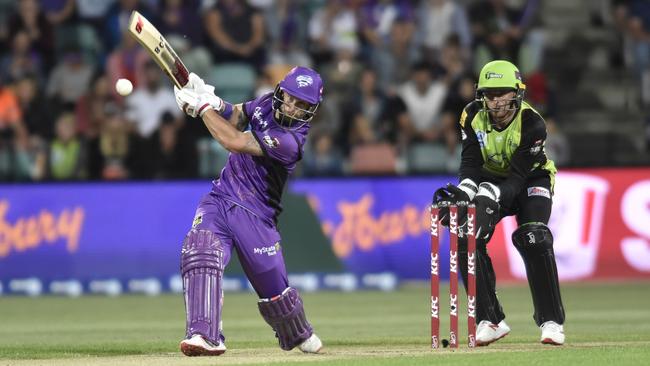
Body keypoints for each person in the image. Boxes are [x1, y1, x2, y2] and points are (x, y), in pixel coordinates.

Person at [172, 66, 324, 356]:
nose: (292, 107)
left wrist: (202, 107)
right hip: (221, 196)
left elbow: (235, 141)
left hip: (256, 216)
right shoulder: (268, 102)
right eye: (290, 97)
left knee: (277, 299)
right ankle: (204, 335)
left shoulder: (291, 142)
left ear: (311, 110)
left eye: (302, 104)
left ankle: (300, 332)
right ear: (281, 91)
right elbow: (239, 115)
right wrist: (213, 100)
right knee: (200, 250)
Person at [433, 60, 565, 346]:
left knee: (534, 237)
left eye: (501, 93)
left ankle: (551, 322)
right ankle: (490, 319)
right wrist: (464, 194)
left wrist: (488, 197)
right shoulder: (470, 114)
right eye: (489, 94)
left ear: (516, 93)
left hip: (532, 181)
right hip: (489, 180)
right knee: (465, 237)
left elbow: (517, 179)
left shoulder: (533, 124)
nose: (495, 101)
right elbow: (469, 165)